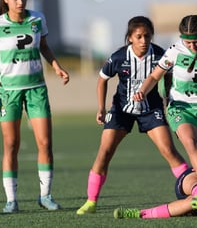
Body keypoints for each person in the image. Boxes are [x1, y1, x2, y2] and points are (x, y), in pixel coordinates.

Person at [0, 0, 70, 213]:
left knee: (45, 143)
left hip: (36, 89)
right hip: (9, 92)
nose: (20, 1)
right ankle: (11, 200)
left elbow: (44, 47)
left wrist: (56, 66)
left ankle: (45, 196)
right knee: (11, 144)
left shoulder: (37, 19)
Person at [76, 16, 189, 215]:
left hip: (151, 109)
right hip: (121, 110)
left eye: (147, 36)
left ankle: (193, 190)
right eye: (139, 36)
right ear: (130, 38)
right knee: (105, 152)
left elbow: (168, 75)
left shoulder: (160, 54)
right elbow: (102, 80)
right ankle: (91, 201)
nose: (144, 40)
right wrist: (101, 108)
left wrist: (168, 98)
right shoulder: (119, 57)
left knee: (169, 150)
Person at [133, 14, 197, 193]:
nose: (192, 46)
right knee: (192, 143)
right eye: (187, 42)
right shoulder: (175, 51)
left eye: (196, 41)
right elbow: (154, 76)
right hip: (180, 107)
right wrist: (142, 90)